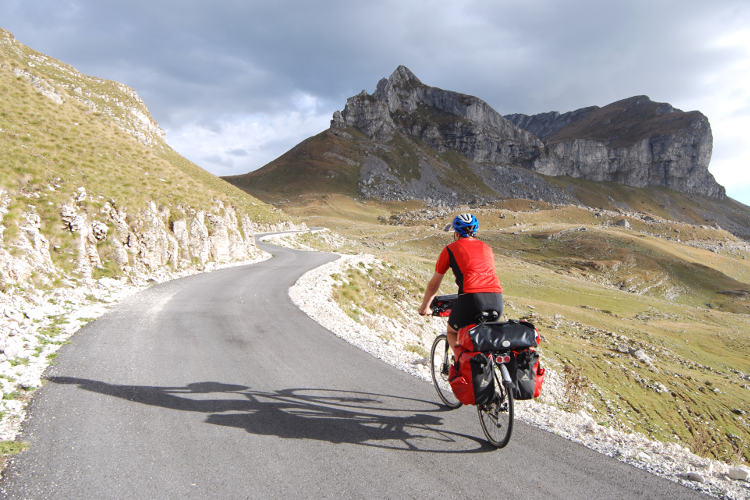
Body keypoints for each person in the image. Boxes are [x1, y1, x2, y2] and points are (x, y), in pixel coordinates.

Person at [418, 213, 503, 352]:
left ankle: (461, 364)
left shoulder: (450, 249)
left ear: (456, 233)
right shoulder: (487, 248)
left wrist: (425, 308)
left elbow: (434, 284)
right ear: (475, 231)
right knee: (485, 341)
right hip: (497, 299)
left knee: (452, 333)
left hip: (472, 299)